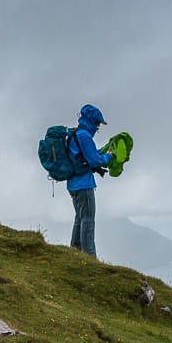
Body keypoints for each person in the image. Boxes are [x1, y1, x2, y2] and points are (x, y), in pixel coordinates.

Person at [67, 104, 114, 258]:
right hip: (84, 184)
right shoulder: (84, 136)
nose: (98, 127)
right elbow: (93, 160)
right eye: (97, 123)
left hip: (73, 183)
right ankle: (89, 257)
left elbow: (87, 155)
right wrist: (109, 157)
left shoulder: (76, 134)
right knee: (88, 220)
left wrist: (103, 151)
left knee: (79, 218)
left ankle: (75, 251)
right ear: (91, 121)